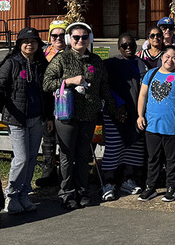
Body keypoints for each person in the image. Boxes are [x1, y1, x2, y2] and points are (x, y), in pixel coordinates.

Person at [42, 22, 123, 209]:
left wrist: (115, 110)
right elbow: (47, 83)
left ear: (89, 39)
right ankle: (66, 193)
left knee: (83, 155)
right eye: (76, 37)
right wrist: (69, 81)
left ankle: (82, 191)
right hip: (67, 116)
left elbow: (104, 89)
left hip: (88, 115)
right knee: (66, 156)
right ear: (70, 39)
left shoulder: (95, 61)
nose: (80, 40)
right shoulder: (61, 59)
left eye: (84, 37)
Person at [0, 28, 49, 214]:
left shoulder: (41, 64)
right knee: (21, 158)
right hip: (16, 119)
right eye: (25, 41)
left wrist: (48, 116)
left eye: (33, 41)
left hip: (37, 117)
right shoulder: (11, 63)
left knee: (32, 158)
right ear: (19, 43)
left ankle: (24, 194)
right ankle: (12, 196)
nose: (29, 44)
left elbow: (47, 93)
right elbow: (0, 86)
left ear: (38, 44)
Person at [137, 46, 175, 202]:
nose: (170, 60)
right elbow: (142, 95)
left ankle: (172, 187)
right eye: (167, 56)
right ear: (162, 57)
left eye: (174, 58)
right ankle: (150, 187)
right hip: (152, 125)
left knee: (173, 160)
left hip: (174, 126)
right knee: (153, 158)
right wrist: (140, 115)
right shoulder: (151, 73)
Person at [97, 33, 147, 201]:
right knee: (114, 148)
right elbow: (104, 86)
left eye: (131, 45)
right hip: (115, 114)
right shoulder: (111, 64)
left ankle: (128, 179)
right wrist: (118, 105)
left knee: (134, 148)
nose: (128, 48)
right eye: (124, 45)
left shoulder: (142, 64)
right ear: (119, 47)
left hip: (137, 114)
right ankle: (108, 182)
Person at [37, 20, 68, 188]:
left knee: (64, 138)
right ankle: (48, 170)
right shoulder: (43, 54)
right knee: (48, 137)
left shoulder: (71, 52)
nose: (58, 38)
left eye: (62, 35)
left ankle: (65, 172)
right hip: (47, 99)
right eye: (54, 35)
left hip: (66, 99)